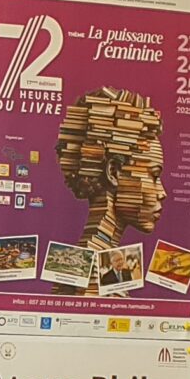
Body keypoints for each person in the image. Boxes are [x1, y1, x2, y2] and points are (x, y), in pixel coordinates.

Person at [54, 85, 167, 258]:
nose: (162, 193)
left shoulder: (94, 258)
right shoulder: (91, 263)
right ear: (114, 172)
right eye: (154, 176)